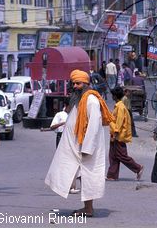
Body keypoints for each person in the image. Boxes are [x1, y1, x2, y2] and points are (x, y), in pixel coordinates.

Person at [45, 69, 115, 218]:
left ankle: (88, 209)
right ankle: (86, 207)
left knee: (87, 177)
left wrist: (87, 148)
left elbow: (94, 125)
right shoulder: (79, 99)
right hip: (76, 146)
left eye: (78, 83)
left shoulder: (91, 100)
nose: (75, 86)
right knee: (73, 172)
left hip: (86, 147)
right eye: (74, 83)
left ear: (86, 83)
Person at [106, 87, 144, 181]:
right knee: (113, 155)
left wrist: (115, 134)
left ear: (115, 96)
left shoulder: (120, 107)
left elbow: (119, 122)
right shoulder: (119, 106)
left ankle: (137, 168)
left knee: (121, 155)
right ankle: (112, 175)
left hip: (118, 135)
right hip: (116, 134)